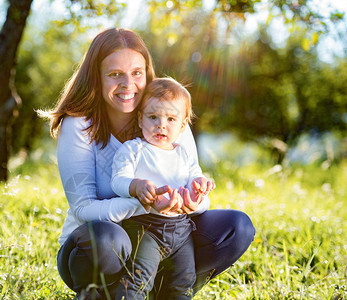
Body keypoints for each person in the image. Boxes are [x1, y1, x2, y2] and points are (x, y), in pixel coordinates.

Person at [40, 28, 255, 300]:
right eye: (115, 74)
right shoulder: (80, 125)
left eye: (136, 73)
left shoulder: (169, 117)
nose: (128, 84)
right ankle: (106, 295)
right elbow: (83, 208)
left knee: (238, 227)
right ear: (97, 77)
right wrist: (144, 201)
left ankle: (166, 291)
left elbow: (192, 182)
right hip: (97, 247)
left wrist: (193, 200)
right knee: (108, 240)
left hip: (170, 237)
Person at [111, 77, 215, 299]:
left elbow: (194, 177)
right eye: (153, 117)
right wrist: (136, 186)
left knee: (184, 281)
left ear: (183, 124)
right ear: (140, 119)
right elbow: (118, 180)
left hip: (181, 230)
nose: (161, 125)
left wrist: (200, 186)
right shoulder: (134, 150)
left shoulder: (183, 153)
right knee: (139, 278)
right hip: (145, 227)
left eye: (170, 118)